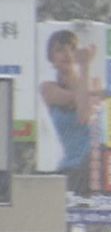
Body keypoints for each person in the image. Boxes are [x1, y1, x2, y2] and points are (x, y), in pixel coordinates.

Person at [39, 30, 97, 197]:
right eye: (60, 49)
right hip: (69, 169)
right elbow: (81, 110)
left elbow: (85, 114)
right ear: (51, 57)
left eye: (72, 49)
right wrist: (86, 91)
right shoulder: (47, 88)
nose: (67, 54)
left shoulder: (91, 82)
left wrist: (85, 68)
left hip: (93, 168)